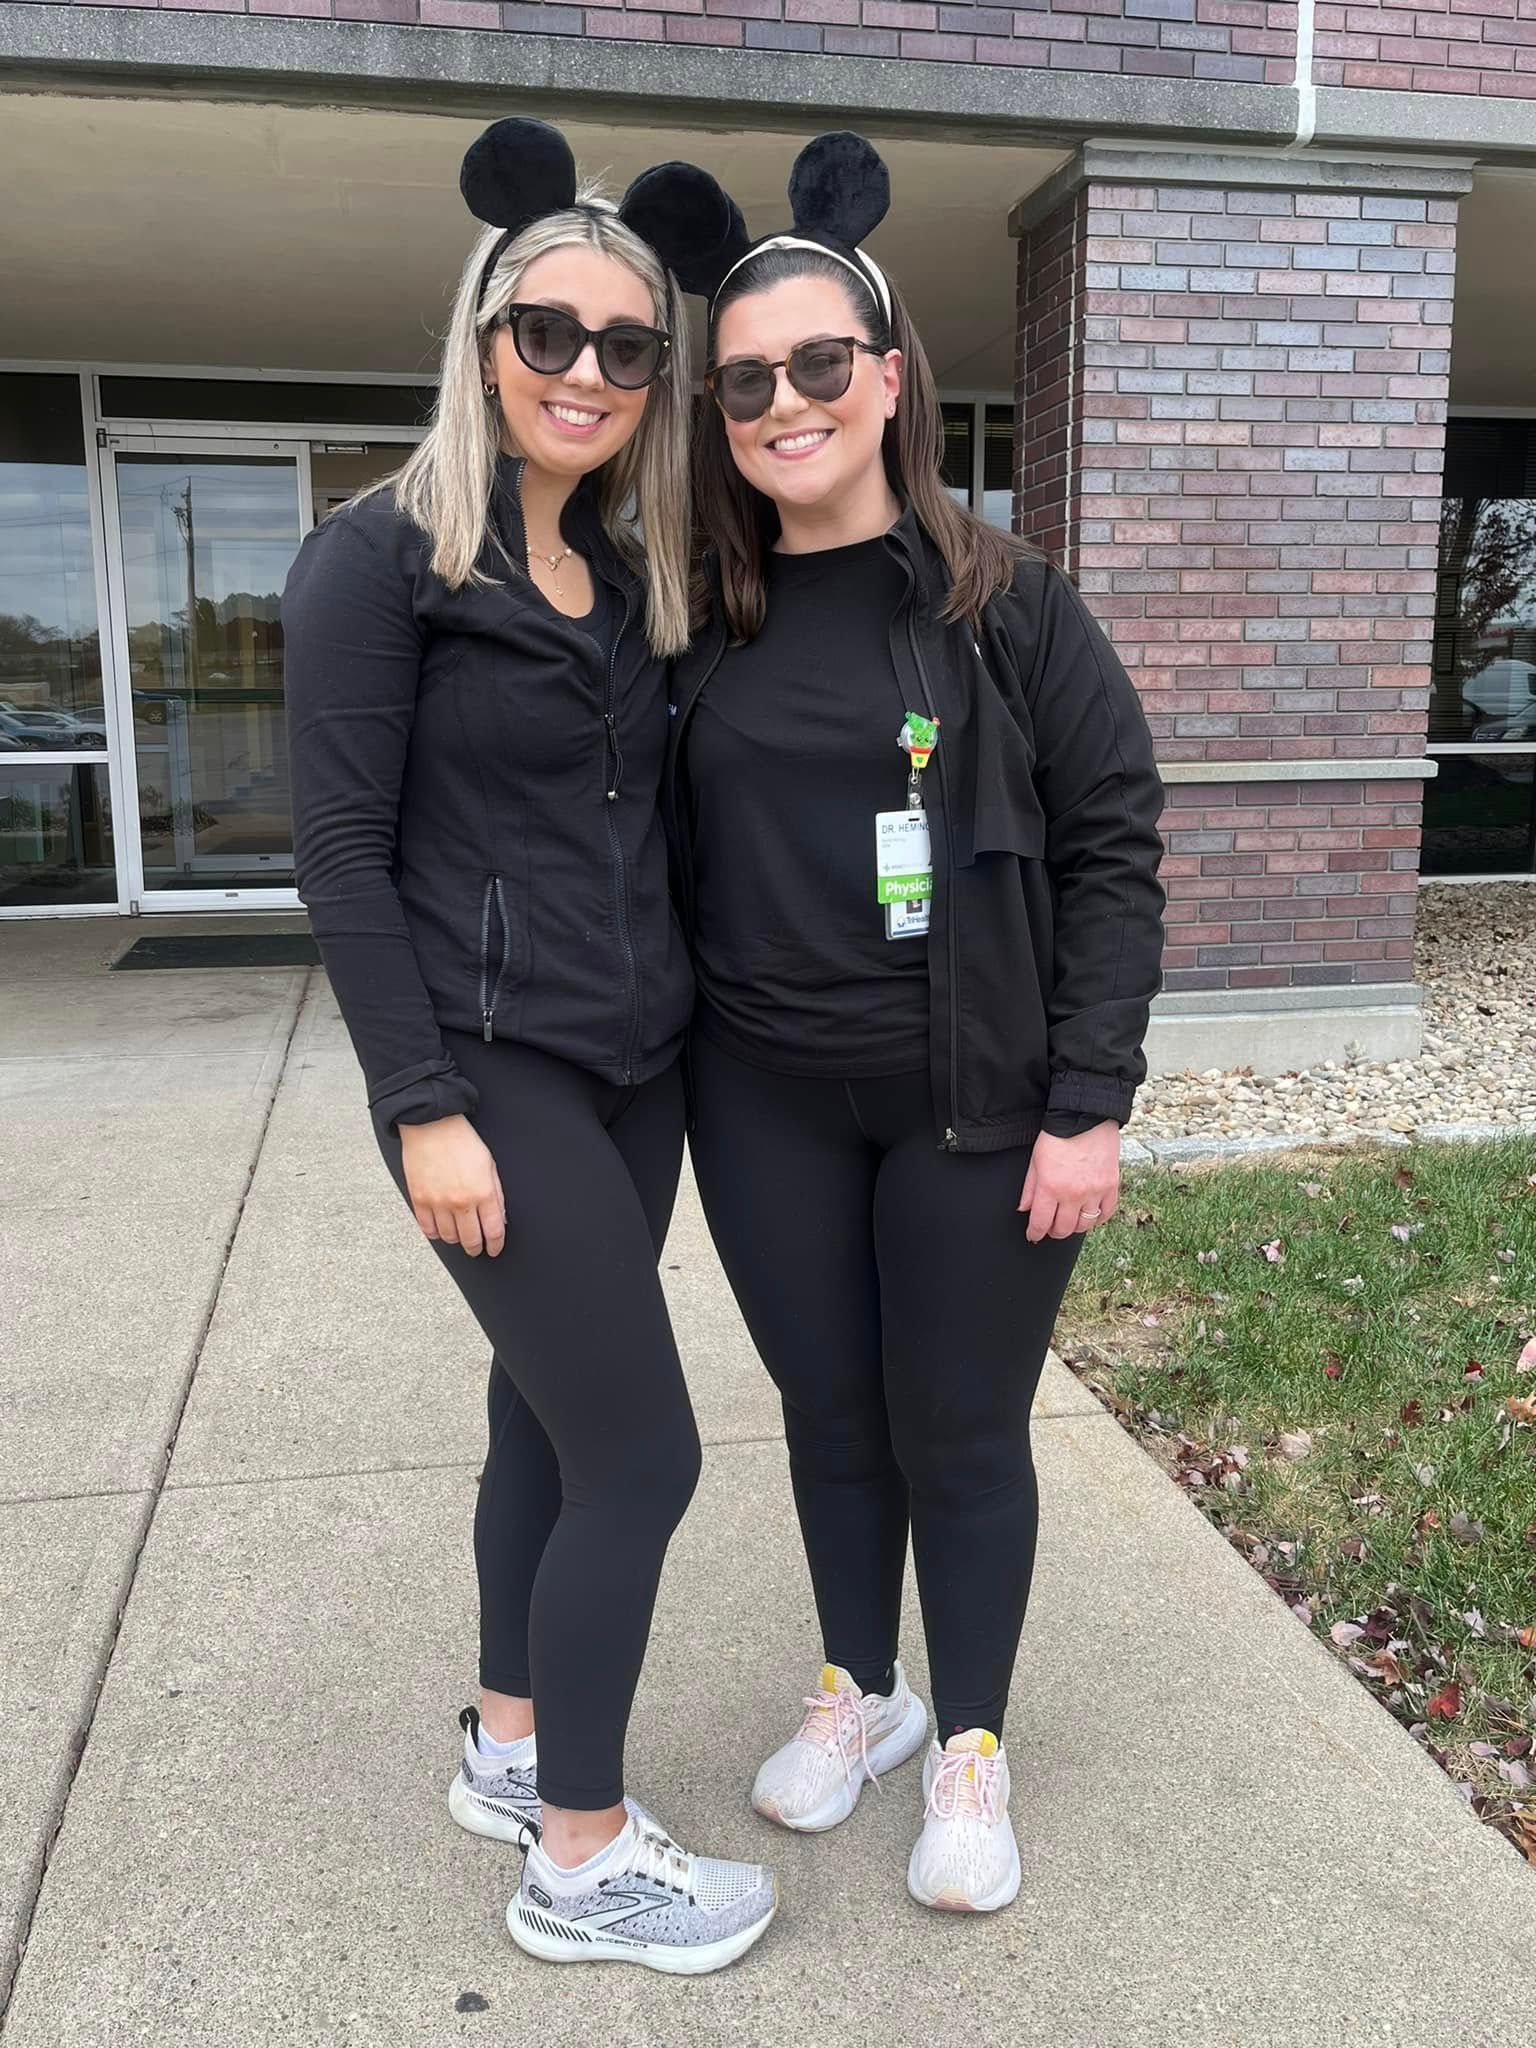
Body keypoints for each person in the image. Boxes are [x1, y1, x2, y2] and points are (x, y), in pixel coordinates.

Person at [283, 118, 777, 1974]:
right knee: (645, 1460)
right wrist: (421, 1111)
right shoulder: (382, 557)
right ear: (484, 336)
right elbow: (339, 858)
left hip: (631, 1070)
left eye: (628, 346)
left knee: (550, 1421)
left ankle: (509, 1740)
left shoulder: (624, 569)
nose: (585, 371)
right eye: (548, 332)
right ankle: (581, 1858)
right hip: (490, 1073)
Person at [667, 133, 1166, 1915]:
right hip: (764, 1102)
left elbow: (1117, 848)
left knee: (958, 1425)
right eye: (745, 379)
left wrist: (1091, 1099)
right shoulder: (699, 616)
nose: (784, 402)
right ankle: (857, 1696)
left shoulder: (1006, 604)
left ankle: (970, 1747)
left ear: (888, 379)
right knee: (827, 1414)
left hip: (973, 1098)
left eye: (819, 365)